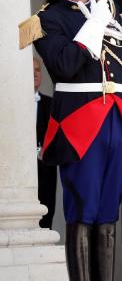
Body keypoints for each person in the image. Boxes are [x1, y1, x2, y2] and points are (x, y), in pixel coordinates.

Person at [19, 0, 122, 280]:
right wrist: (93, 25)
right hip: (80, 123)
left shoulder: (111, 14)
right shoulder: (48, 19)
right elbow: (63, 65)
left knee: (109, 212)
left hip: (118, 122)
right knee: (84, 209)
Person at [34, 57, 57, 229]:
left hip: (46, 174)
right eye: (31, 71)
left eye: (38, 70)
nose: (35, 74)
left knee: (46, 222)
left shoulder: (51, 104)